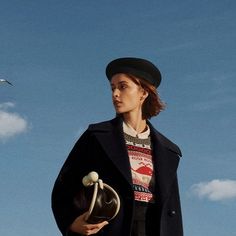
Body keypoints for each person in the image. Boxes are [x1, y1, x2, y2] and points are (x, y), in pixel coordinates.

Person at [51, 57, 183, 236]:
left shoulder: (168, 151)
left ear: (143, 92)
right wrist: (71, 222)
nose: (115, 94)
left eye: (123, 86)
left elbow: (172, 211)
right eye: (112, 88)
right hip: (111, 229)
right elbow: (64, 187)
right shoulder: (97, 136)